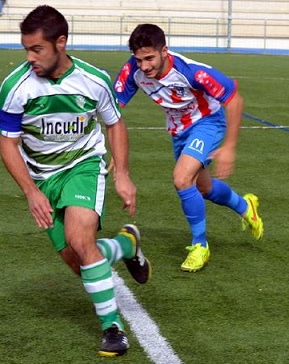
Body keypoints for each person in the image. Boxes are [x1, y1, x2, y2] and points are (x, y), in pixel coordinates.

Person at [0, 5, 151, 357]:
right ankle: (126, 246)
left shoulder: (93, 80)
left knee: (80, 239)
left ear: (61, 43)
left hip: (83, 165)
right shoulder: (15, 87)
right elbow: (7, 142)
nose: (30, 57)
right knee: (78, 261)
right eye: (26, 50)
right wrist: (31, 191)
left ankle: (113, 329)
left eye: (37, 49)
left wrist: (122, 173)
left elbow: (114, 123)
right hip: (42, 177)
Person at [113, 24, 264, 272]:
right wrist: (116, 152)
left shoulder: (192, 72)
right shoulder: (133, 70)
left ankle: (199, 246)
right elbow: (114, 109)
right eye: (139, 59)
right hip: (178, 131)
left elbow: (234, 98)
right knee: (202, 188)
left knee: (182, 179)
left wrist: (229, 146)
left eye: (149, 58)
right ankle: (245, 206)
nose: (144, 66)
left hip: (207, 123)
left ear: (165, 51)